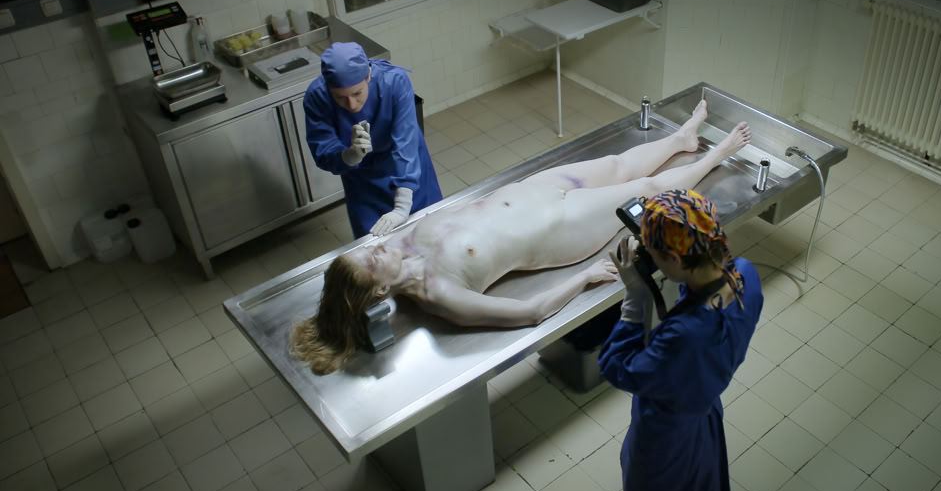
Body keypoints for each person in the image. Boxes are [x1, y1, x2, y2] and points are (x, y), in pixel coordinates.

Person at [289, 101, 753, 375]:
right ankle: (716, 156)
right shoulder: (439, 294)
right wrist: (583, 278)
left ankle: (682, 141)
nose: (375, 248)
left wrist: (397, 211)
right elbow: (529, 313)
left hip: (533, 191)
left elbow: (404, 201)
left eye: (366, 250)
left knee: (618, 165)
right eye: (372, 261)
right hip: (562, 228)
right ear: (381, 291)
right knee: (646, 190)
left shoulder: (401, 243)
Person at [598, 189, 763, 491]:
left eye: (656, 254)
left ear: (674, 258)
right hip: (704, 410)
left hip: (665, 434)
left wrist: (634, 295)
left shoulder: (683, 336)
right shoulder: (746, 276)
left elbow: (618, 367)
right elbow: (698, 295)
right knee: (697, 489)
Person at [303, 42, 443, 239]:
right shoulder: (317, 96)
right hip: (362, 178)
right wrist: (350, 155)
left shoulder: (393, 81)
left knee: (431, 232)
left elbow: (405, 140)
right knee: (375, 246)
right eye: (340, 98)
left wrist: (402, 205)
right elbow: (323, 149)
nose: (351, 105)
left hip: (407, 166)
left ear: (368, 76)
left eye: (357, 93)